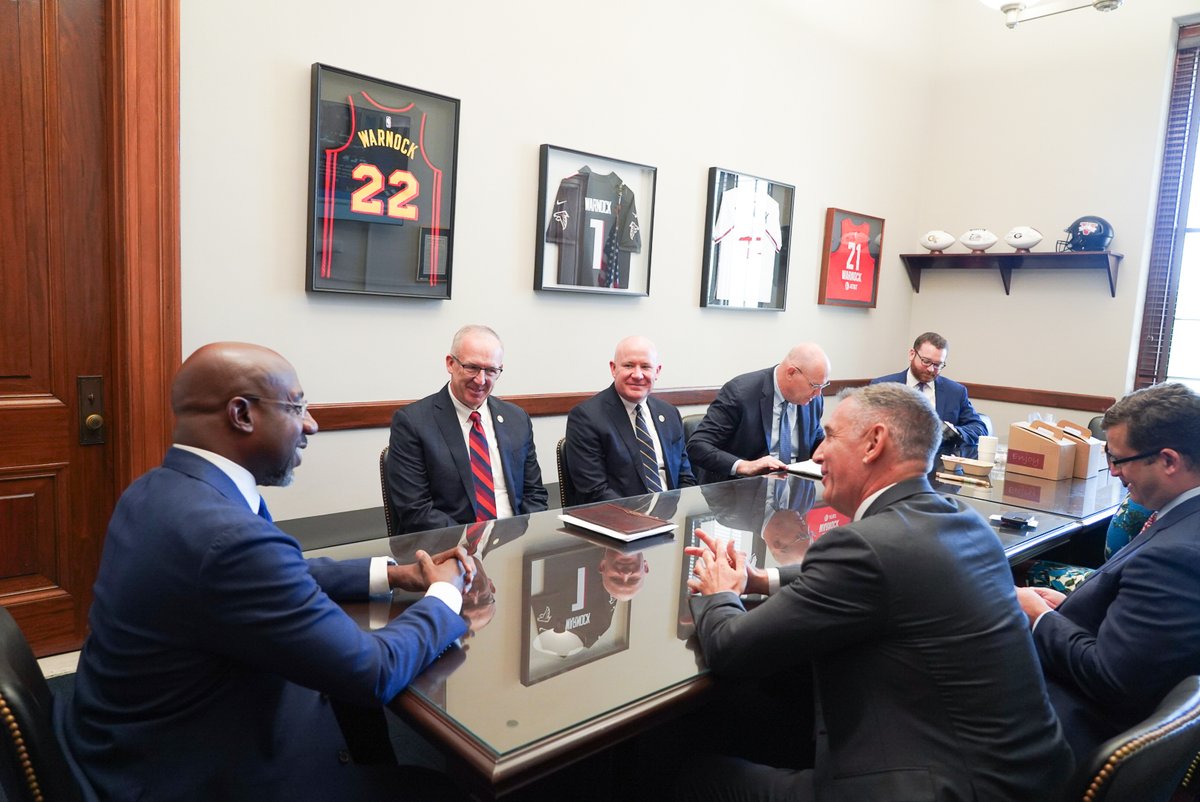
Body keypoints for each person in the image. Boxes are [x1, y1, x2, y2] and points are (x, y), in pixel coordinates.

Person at [64, 342, 474, 801]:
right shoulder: (226, 537)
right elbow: (373, 673)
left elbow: (281, 572)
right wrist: (445, 595)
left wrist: (395, 576)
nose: (312, 425)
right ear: (241, 414)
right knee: (440, 789)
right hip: (197, 773)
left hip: (133, 740)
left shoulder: (158, 490)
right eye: (297, 406)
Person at [682, 383, 1071, 801]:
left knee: (689, 776)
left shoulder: (864, 546)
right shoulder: (961, 519)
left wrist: (719, 592)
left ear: (874, 443)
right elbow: (889, 577)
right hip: (1029, 777)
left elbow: (730, 649)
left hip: (939, 788)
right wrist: (764, 580)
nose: (816, 453)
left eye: (830, 436)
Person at [1015, 382, 1200, 763]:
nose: (1113, 472)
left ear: (1168, 460)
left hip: (1070, 728)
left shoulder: (1177, 555)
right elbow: (1144, 635)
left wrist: (1039, 617)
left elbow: (1112, 680)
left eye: (1120, 459)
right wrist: (1072, 607)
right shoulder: (1181, 520)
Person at [387, 325, 548, 534]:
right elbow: (415, 511)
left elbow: (535, 495)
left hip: (511, 544)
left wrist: (519, 538)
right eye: (471, 367)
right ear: (450, 364)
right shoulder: (412, 423)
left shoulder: (517, 419)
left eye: (491, 370)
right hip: (448, 550)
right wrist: (473, 543)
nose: (481, 380)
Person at [564, 335, 696, 504]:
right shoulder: (586, 417)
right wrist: (645, 520)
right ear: (613, 368)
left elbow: (685, 477)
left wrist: (681, 511)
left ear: (657, 372)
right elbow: (595, 491)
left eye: (646, 367)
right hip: (619, 521)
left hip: (671, 517)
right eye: (628, 365)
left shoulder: (669, 413)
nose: (638, 375)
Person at [686, 343, 829, 485]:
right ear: (791, 373)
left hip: (796, 491)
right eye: (814, 386)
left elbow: (815, 439)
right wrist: (745, 466)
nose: (818, 394)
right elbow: (697, 445)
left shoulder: (813, 400)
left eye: (823, 386)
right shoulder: (740, 393)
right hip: (741, 493)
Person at [870, 331, 988, 458]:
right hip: (892, 459)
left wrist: (954, 432)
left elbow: (979, 428)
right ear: (912, 354)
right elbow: (867, 426)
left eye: (938, 365)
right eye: (926, 361)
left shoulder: (955, 392)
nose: (931, 369)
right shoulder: (883, 386)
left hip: (937, 463)